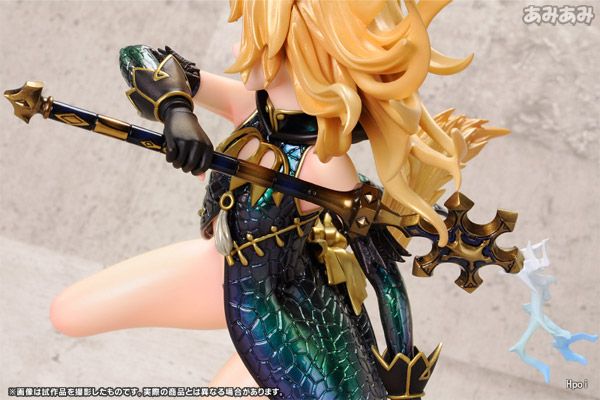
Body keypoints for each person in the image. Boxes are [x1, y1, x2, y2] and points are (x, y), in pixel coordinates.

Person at [50, 1, 506, 398]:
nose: (239, 49)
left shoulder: (326, 167)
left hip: (279, 310)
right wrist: (176, 109)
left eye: (260, 42)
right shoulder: (251, 105)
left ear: (305, 55)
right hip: (216, 266)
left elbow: (383, 275)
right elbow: (139, 55)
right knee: (69, 312)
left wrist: (401, 365)